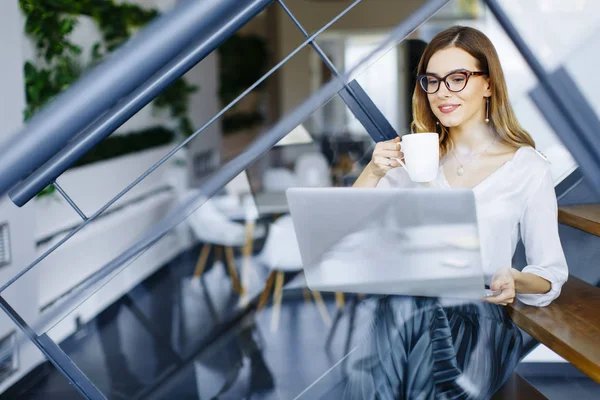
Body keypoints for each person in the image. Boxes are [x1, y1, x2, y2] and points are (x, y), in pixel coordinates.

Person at [344, 25, 569, 399]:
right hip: (406, 311)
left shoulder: (528, 168)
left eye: (457, 78)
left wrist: (514, 278)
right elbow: (349, 233)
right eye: (431, 81)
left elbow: (550, 273)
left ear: (489, 85)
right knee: (393, 317)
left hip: (476, 318)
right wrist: (373, 172)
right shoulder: (411, 160)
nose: (442, 92)